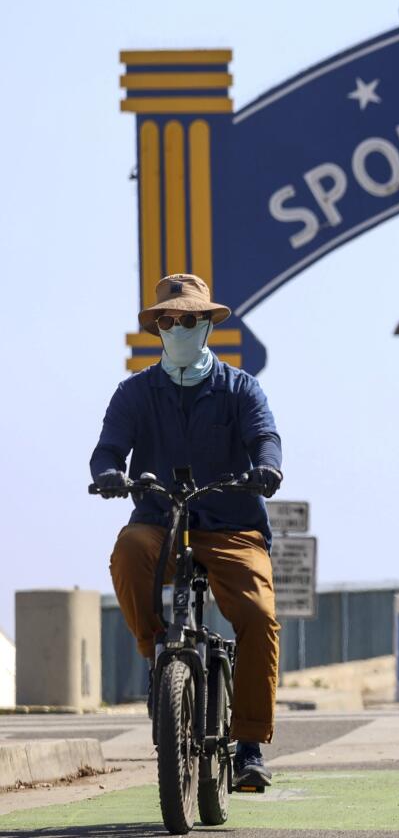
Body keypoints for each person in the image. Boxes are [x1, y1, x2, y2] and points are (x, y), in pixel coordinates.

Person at [90, 274, 284, 791]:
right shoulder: (135, 393)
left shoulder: (240, 388)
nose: (179, 327)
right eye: (169, 320)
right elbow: (107, 449)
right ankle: (157, 651)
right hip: (160, 522)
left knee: (260, 617)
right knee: (128, 552)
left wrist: (267, 467)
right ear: (158, 328)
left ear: (205, 327)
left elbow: (265, 435)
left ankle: (247, 746)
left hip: (232, 527)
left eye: (190, 319)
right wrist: (107, 473)